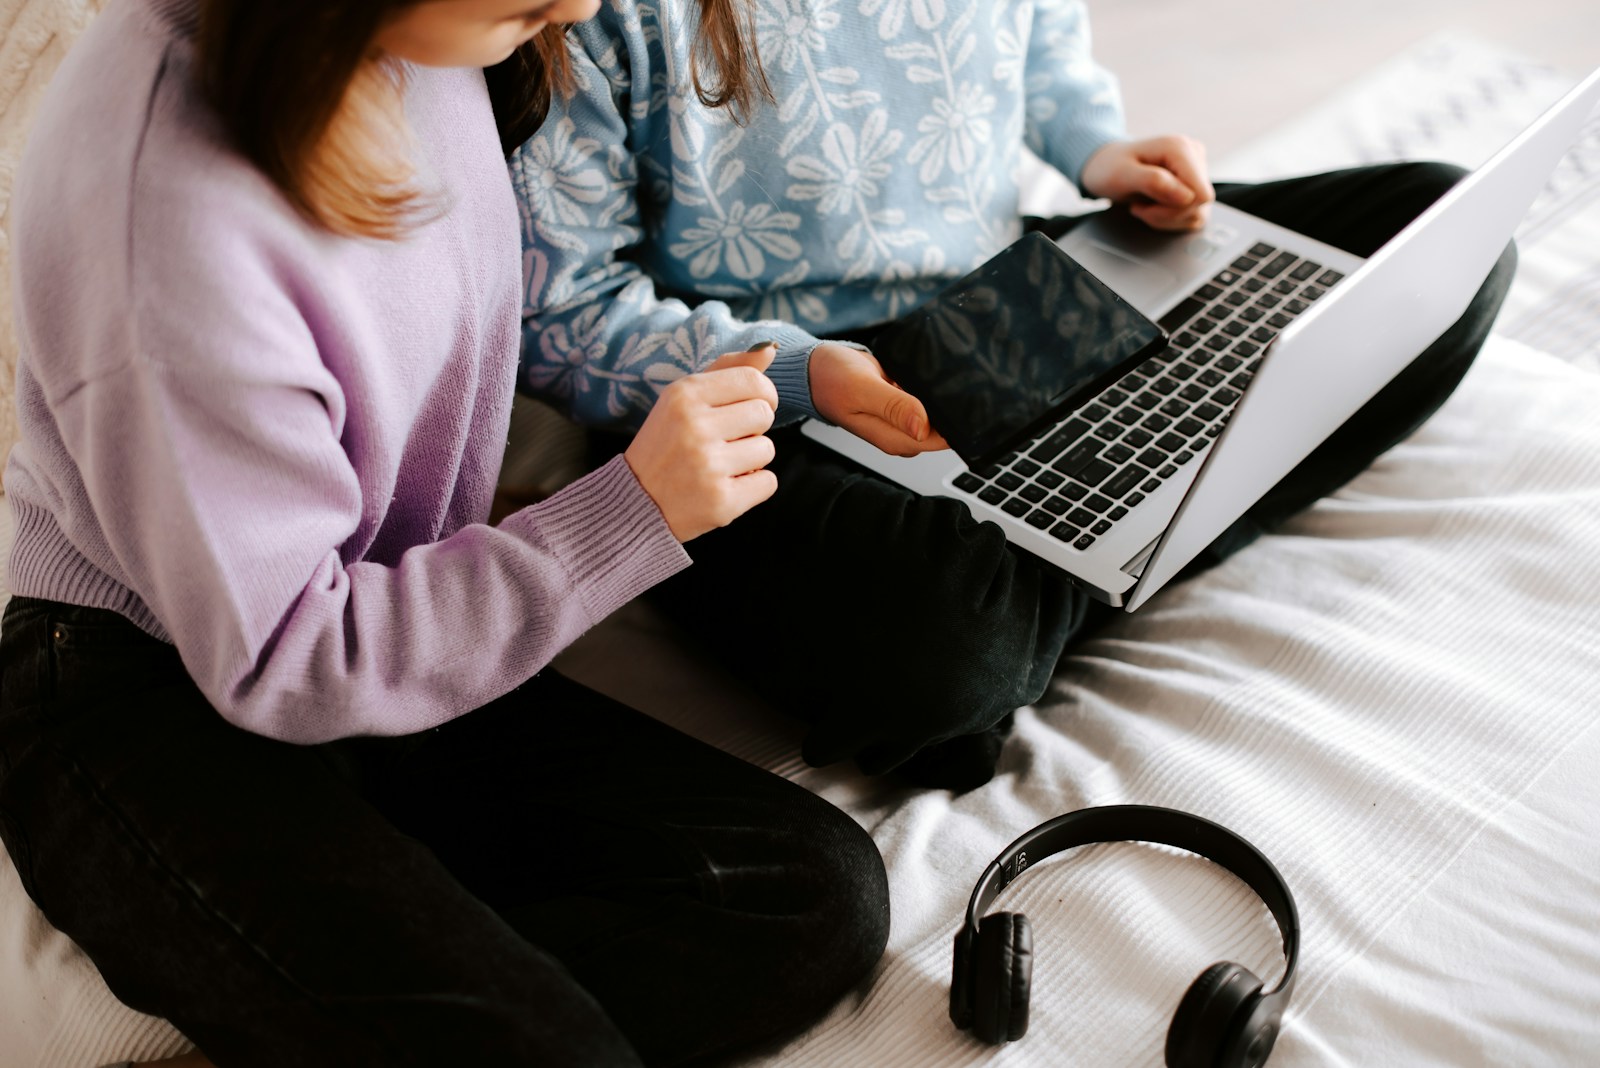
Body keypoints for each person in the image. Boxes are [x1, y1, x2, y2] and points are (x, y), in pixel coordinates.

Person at [0, 1, 890, 1066]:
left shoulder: (429, 41)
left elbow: (531, 318)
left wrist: (779, 373)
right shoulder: (170, 208)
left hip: (386, 620)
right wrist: (628, 513)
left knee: (808, 901)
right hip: (144, 687)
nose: (584, 7)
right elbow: (290, 658)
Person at [505, 0, 1516, 790]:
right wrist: (799, 372)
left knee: (1445, 233)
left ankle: (1093, 542)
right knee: (943, 644)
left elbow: (1039, 46)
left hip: (1010, 291)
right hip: (768, 389)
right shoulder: (586, 14)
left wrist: (1095, 148)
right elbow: (564, 314)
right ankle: (1133, 515)